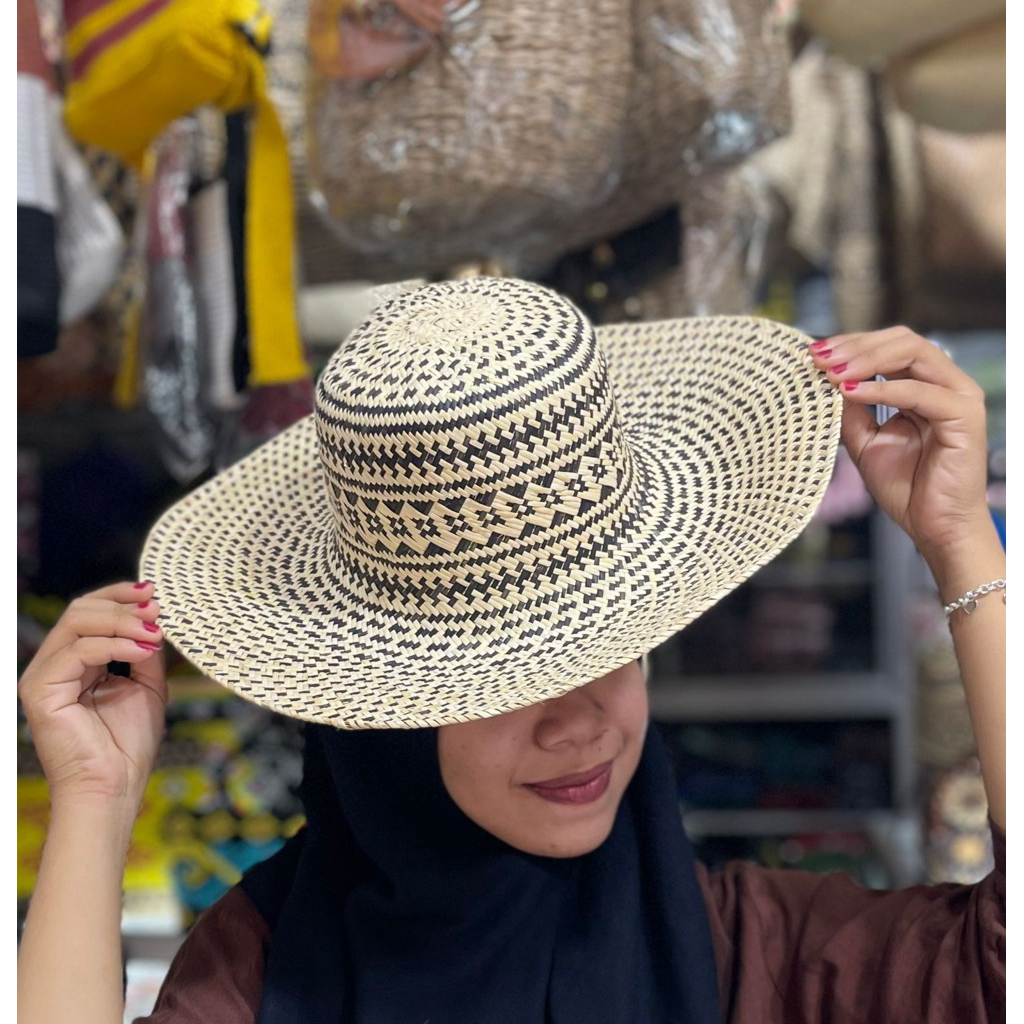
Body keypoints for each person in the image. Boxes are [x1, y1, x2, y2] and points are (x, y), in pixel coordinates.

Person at [17, 279, 1004, 1024]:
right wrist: (95, 802)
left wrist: (962, 544)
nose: (577, 723)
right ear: (388, 709)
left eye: (612, 644)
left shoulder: (757, 954)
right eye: (503, 681)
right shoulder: (266, 971)